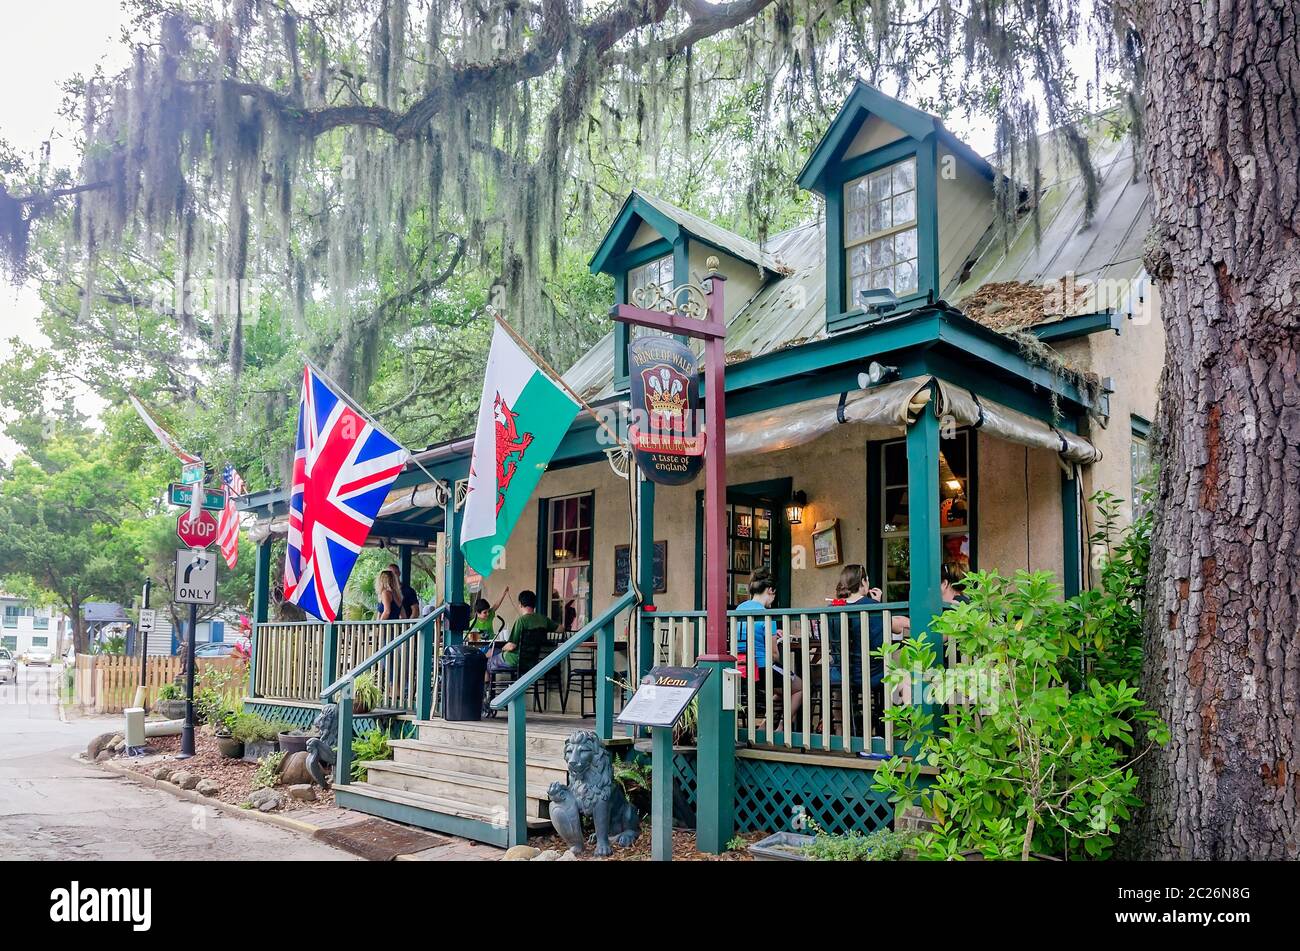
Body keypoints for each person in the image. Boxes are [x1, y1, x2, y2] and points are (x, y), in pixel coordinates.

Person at [735, 568, 802, 725]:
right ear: (771, 590)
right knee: (799, 687)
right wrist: (779, 641)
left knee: (782, 691)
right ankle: (781, 729)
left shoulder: (740, 609)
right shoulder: (766, 615)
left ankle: (765, 726)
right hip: (762, 669)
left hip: (742, 668)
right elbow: (774, 655)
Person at [487, 589, 557, 677]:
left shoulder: (521, 621)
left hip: (515, 660)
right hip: (532, 661)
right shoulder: (543, 619)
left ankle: (489, 690)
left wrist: (503, 648)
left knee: (488, 662)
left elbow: (512, 646)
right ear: (534, 604)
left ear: (520, 604)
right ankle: (515, 686)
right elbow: (561, 629)